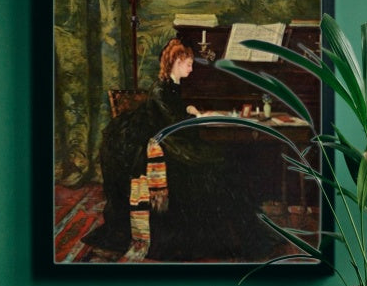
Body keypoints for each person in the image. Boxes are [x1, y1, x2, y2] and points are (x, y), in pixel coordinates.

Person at [83, 38, 279, 262]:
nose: (192, 68)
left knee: (224, 163)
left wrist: (189, 108)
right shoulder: (160, 89)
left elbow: (175, 107)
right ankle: (227, 237)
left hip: (174, 139)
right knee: (215, 165)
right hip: (164, 144)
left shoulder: (172, 86)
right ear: (176, 61)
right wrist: (196, 117)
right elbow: (173, 123)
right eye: (188, 63)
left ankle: (241, 234)